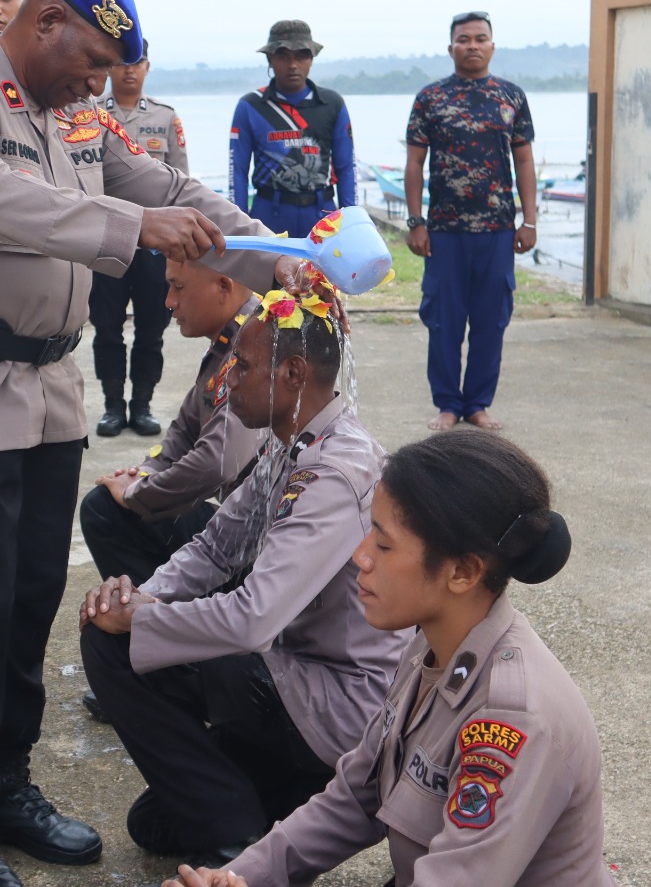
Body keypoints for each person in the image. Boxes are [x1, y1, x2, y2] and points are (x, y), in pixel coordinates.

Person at [0, 0, 302, 887]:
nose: (96, 86)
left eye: (110, 73)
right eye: (89, 62)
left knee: (32, 594)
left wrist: (271, 249)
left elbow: (166, 186)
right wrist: (135, 231)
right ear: (45, 24)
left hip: (48, 394)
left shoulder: (78, 118)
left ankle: (6, 784)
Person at [163, 431, 611, 887]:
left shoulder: (512, 718)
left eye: (383, 544)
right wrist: (238, 877)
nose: (360, 558)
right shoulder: (431, 644)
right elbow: (356, 796)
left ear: (463, 571)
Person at [79, 283, 409, 870]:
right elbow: (215, 545)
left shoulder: (334, 471)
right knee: (153, 823)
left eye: (246, 365)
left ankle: (235, 841)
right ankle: (266, 811)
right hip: (299, 673)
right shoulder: (293, 446)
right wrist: (143, 595)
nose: (227, 378)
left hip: (342, 706)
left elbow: (255, 619)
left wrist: (142, 619)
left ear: (294, 375)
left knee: (115, 642)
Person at [78, 257, 262, 721]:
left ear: (223, 285)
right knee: (107, 506)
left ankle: (168, 665)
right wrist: (140, 474)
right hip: (240, 530)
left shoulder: (258, 341)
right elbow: (182, 433)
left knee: (113, 510)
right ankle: (151, 648)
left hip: (267, 550)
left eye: (178, 287)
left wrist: (139, 496)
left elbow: (216, 460)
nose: (168, 302)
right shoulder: (230, 337)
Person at [403, 11, 538, 433]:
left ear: (493, 46)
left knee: (490, 319)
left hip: (497, 230)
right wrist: (415, 221)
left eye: (481, 38)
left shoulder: (511, 97)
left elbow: (524, 159)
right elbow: (414, 162)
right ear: (451, 48)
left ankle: (478, 403)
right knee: (443, 318)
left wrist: (529, 220)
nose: (473, 46)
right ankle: (447, 404)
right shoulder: (431, 98)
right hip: (444, 231)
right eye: (464, 39)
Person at [91, 39, 192, 436]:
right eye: (122, 63)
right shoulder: (92, 116)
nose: (129, 70)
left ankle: (143, 405)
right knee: (107, 327)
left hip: (154, 249)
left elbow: (182, 183)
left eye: (137, 62)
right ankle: (113, 406)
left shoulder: (166, 119)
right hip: (107, 239)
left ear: (147, 67)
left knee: (152, 328)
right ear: (111, 67)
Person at [230, 20, 358, 240]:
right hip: (270, 214)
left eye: (301, 55)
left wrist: (354, 224)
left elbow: (347, 169)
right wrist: (238, 228)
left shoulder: (332, 104)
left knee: (323, 276)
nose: (292, 65)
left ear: (311, 58)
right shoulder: (250, 106)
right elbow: (237, 172)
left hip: (322, 215)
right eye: (283, 56)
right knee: (268, 275)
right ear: (270, 59)